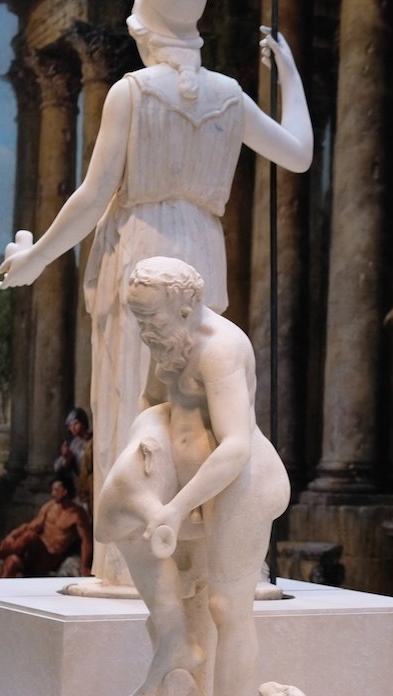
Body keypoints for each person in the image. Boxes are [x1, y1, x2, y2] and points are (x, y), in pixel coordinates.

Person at [0, 0, 312, 583]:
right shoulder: (228, 95)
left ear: (148, 21)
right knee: (199, 400)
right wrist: (290, 79)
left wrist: (40, 256)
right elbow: (299, 153)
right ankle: (198, 559)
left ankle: (129, 563)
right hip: (201, 251)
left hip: (139, 251)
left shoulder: (132, 94)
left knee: (135, 403)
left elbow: (92, 196)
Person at [96, 257, 290, 696]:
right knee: (119, 512)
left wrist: (175, 508)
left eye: (150, 318)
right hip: (183, 471)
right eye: (138, 318)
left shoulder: (219, 348)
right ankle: (175, 639)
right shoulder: (167, 338)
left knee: (228, 607)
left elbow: (236, 445)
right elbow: (153, 397)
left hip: (242, 479)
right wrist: (147, 452)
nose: (144, 331)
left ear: (184, 309)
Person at [0, 476, 92, 577]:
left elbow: (86, 542)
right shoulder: (50, 506)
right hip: (33, 553)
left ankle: (0, 552)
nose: (52, 493)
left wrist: (84, 566)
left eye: (56, 490)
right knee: (11, 561)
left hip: (48, 559)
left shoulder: (77, 515)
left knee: (31, 536)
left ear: (65, 492)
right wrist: (12, 535)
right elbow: (31, 526)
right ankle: (0, 592)